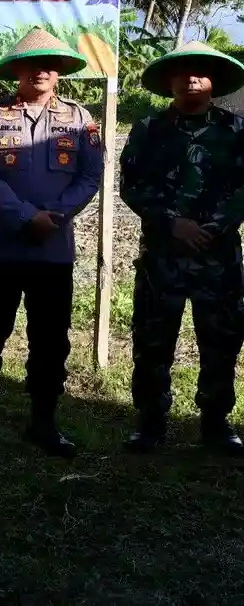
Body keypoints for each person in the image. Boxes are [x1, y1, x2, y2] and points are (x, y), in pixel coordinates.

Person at [0, 28, 103, 458]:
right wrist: (25, 217)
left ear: (58, 71)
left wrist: (55, 215)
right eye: (31, 63)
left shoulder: (81, 119)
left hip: (53, 250)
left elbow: (90, 176)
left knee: (51, 341)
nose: (40, 70)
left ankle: (43, 422)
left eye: (49, 64)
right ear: (17, 70)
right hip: (1, 247)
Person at [120, 42, 244, 455]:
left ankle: (216, 422)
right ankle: (150, 422)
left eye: (201, 73)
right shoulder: (148, 129)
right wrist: (174, 223)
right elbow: (132, 185)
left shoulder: (236, 130)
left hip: (218, 256)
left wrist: (214, 226)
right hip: (162, 256)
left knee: (221, 341)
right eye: (183, 72)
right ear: (170, 82)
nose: (191, 78)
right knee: (153, 341)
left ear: (213, 83)